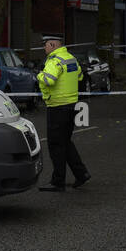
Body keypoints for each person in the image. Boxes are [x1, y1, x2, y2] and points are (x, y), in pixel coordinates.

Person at [36, 32, 91, 191]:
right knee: (65, 142)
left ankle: (58, 181)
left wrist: (39, 74)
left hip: (57, 107)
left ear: (52, 45)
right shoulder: (70, 58)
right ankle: (81, 174)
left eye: (45, 44)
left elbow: (49, 80)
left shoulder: (54, 61)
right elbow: (80, 76)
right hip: (72, 105)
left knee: (55, 145)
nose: (44, 47)